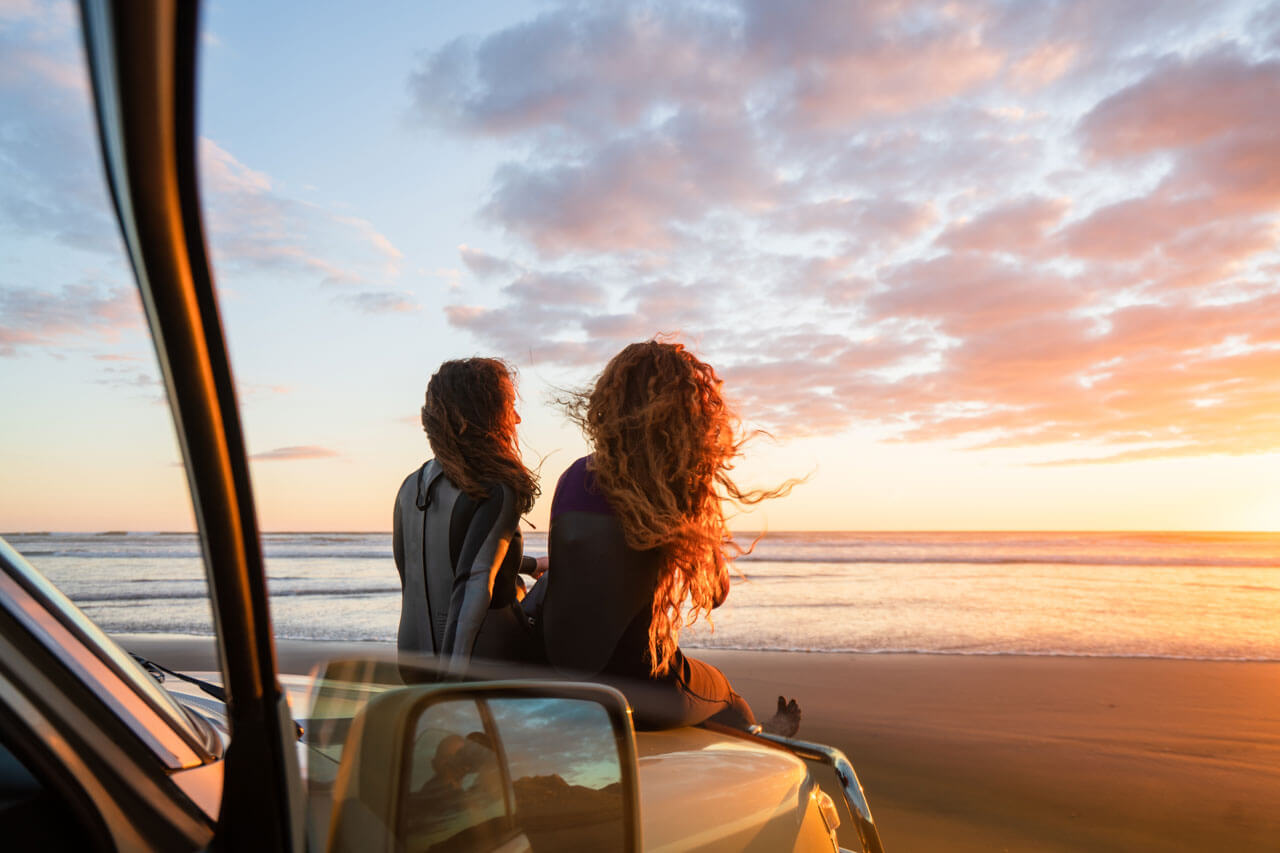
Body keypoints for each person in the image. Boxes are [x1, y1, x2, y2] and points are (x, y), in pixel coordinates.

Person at [537, 340, 802, 734]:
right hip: (642, 691)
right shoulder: (676, 489)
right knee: (727, 695)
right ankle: (765, 737)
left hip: (558, 674)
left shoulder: (573, 476)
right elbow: (715, 595)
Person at [393, 358, 540, 673]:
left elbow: (429, 567)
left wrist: (529, 564)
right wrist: (452, 687)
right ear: (484, 415)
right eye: (509, 406)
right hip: (488, 666)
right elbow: (473, 586)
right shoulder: (496, 486)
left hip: (411, 663)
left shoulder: (410, 486)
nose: (516, 418)